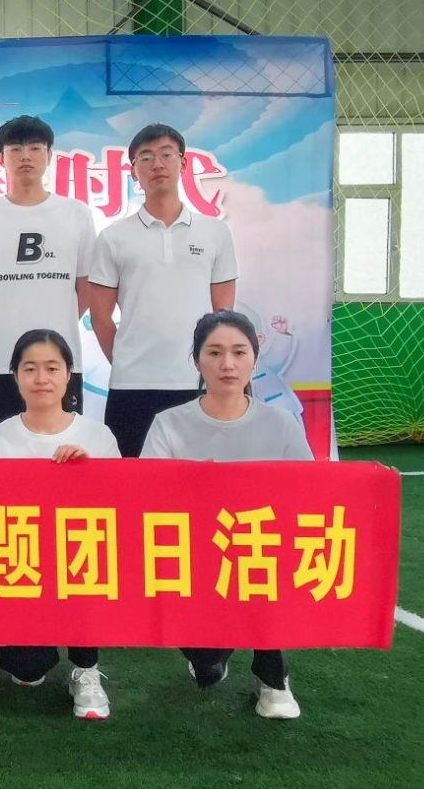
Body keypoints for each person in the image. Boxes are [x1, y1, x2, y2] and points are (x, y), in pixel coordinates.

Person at [141, 309, 312, 720]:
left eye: (239, 352)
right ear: (197, 360)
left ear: (255, 357)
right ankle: (207, 654)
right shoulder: (169, 424)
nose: (227, 364)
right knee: (207, 669)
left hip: (260, 551)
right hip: (193, 556)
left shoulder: (282, 424)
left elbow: (309, 494)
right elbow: (147, 496)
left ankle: (274, 678)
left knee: (264, 562)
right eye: (214, 352)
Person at [0, 329, 120, 720]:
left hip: (78, 557)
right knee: (26, 669)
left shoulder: (97, 436)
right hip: (20, 558)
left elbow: (117, 511)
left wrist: (87, 474)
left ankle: (86, 669)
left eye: (52, 368)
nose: (41, 379)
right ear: (15, 376)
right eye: (30, 369)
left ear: (68, 375)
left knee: (88, 556)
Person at [88, 123, 238, 457]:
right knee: (132, 479)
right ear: (133, 171)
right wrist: (128, 361)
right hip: (132, 386)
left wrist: (210, 365)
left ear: (183, 163)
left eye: (166, 155)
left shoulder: (215, 233)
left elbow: (224, 316)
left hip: (198, 383)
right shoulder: (113, 238)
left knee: (202, 478)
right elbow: (100, 317)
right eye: (146, 157)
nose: (157, 164)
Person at [0, 116, 96, 438]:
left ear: (49, 156)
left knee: (62, 453)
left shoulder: (76, 214)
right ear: (0, 158)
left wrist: (56, 327)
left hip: (59, 363)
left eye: (35, 148)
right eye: (15, 149)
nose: (25, 156)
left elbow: (87, 289)